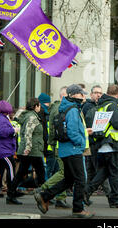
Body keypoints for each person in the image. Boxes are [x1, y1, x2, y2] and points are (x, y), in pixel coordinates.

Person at [34, 84, 94, 218]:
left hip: (65, 150)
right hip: (73, 149)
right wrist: (81, 142)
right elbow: (72, 131)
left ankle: (44, 196)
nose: (83, 96)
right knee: (80, 179)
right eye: (81, 94)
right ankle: (78, 209)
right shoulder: (73, 110)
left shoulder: (65, 108)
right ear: (73, 95)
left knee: (68, 179)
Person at [85, 84, 118, 208]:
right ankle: (115, 199)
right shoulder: (114, 105)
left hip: (103, 144)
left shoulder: (102, 106)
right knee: (116, 172)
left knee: (104, 172)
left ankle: (86, 191)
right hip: (113, 144)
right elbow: (116, 124)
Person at [8, 98, 46, 201]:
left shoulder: (26, 115)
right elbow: (29, 133)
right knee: (41, 173)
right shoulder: (32, 117)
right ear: (36, 106)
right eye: (39, 105)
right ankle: (45, 196)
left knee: (21, 172)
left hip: (28, 149)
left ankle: (11, 193)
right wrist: (28, 148)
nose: (40, 107)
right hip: (32, 150)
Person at [0, 100, 21, 204]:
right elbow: (1, 132)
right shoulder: (1, 119)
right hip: (3, 150)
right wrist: (14, 130)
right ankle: (11, 195)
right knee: (11, 171)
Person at [43, 86, 71, 209]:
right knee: (63, 172)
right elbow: (54, 130)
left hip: (58, 145)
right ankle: (43, 189)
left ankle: (60, 198)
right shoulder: (59, 109)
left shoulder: (56, 108)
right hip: (60, 145)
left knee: (62, 172)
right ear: (64, 96)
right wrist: (53, 144)